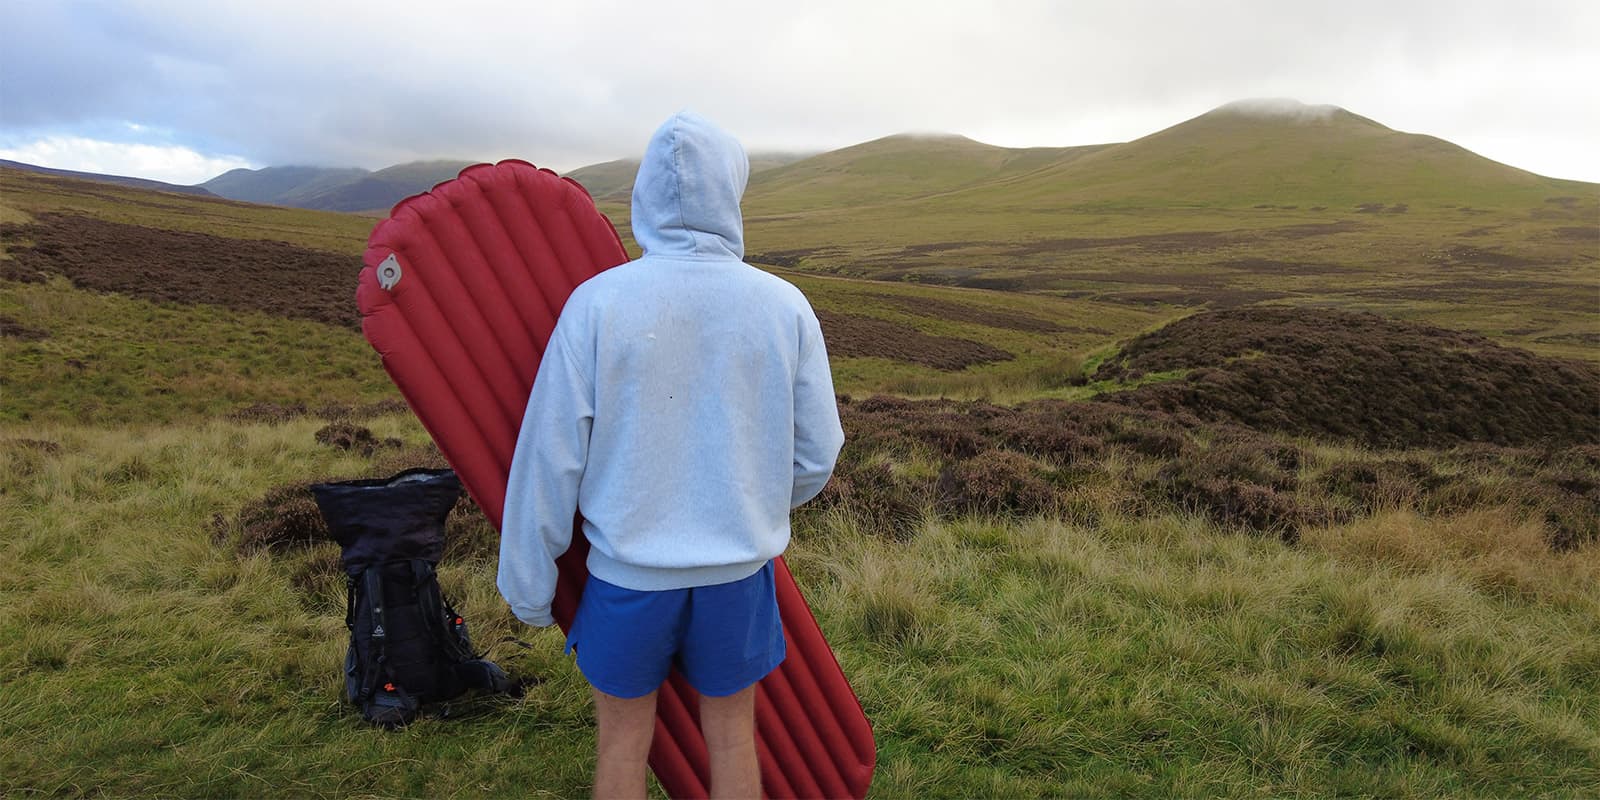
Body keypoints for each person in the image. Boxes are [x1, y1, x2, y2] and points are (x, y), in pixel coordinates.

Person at [496, 111, 845, 800]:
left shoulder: (597, 304)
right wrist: (752, 500)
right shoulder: (784, 306)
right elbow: (817, 452)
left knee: (624, 745)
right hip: (738, 575)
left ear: (645, 194)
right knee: (733, 738)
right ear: (731, 192)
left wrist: (529, 587)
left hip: (628, 577)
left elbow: (550, 457)